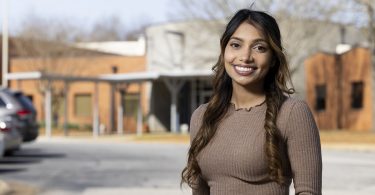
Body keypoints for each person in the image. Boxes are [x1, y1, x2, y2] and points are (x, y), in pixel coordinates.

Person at [181, 8, 322, 195]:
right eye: (236, 45)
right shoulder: (202, 116)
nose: (245, 57)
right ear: (224, 52)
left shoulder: (292, 112)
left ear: (273, 58)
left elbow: (308, 192)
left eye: (259, 48)